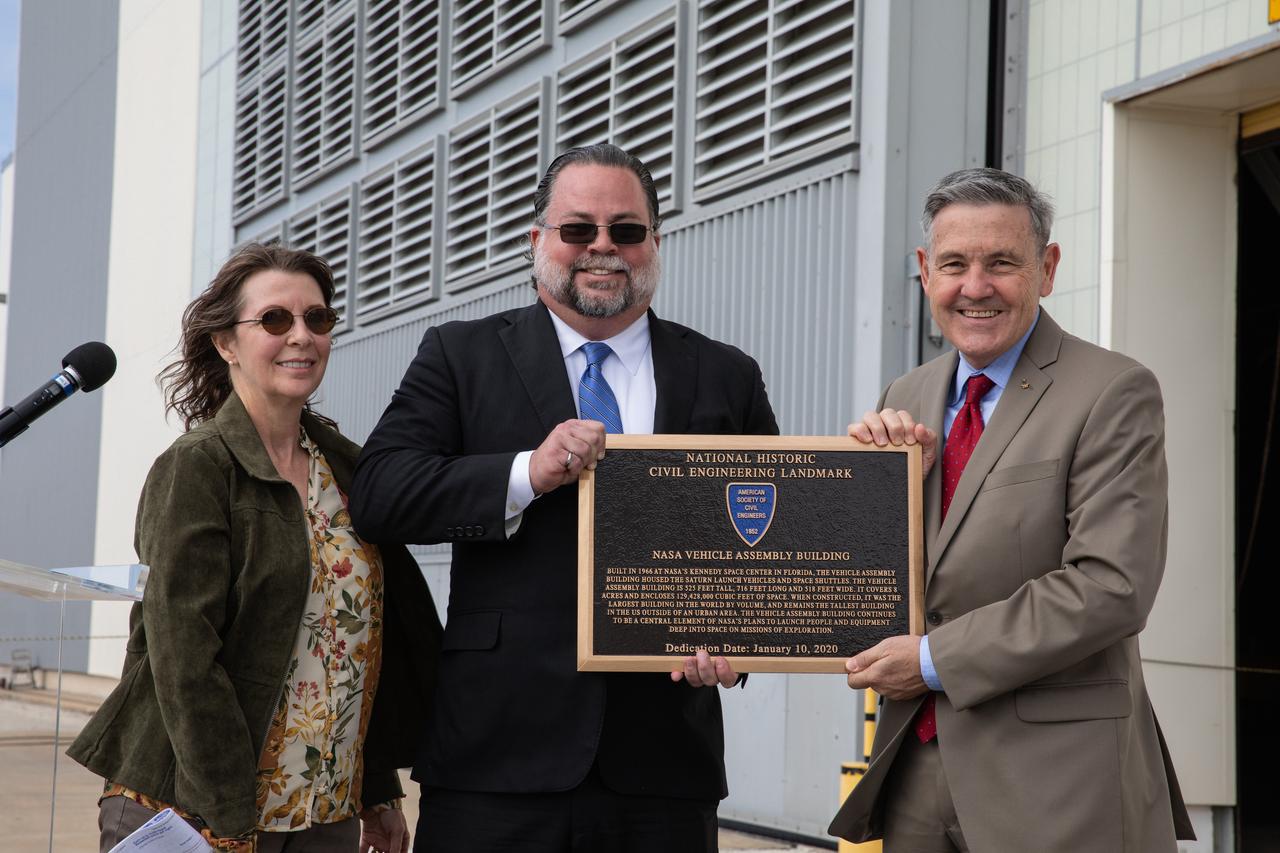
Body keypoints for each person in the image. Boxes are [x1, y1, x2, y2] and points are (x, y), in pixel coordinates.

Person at [348, 143, 779, 853]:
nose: (603, 247)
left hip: (664, 769)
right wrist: (526, 472)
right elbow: (382, 492)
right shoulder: (460, 355)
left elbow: (773, 543)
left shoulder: (726, 373)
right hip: (494, 761)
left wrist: (740, 639)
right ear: (538, 241)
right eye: (579, 229)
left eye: (627, 230)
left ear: (655, 243)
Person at [829, 168, 1194, 852]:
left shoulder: (1113, 390)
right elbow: (897, 577)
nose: (975, 286)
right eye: (954, 264)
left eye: (1002, 262)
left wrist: (934, 659)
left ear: (1047, 268)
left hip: (1057, 782)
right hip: (912, 770)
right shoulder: (907, 391)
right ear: (923, 271)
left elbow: (1111, 586)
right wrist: (872, 494)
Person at [68, 244, 442, 853]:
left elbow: (353, 650)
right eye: (274, 320)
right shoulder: (198, 468)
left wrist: (375, 788)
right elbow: (183, 660)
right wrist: (226, 820)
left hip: (323, 809)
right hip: (195, 808)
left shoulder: (348, 470)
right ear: (225, 343)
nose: (301, 336)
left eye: (317, 320)